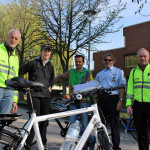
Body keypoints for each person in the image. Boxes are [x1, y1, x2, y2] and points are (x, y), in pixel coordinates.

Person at [54, 55, 93, 150]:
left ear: (83, 62)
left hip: (83, 101)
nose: (78, 63)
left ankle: (87, 143)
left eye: (80, 61)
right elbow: (60, 78)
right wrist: (48, 82)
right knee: (72, 126)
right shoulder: (71, 72)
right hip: (73, 103)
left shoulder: (87, 73)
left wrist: (71, 94)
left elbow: (84, 86)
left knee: (84, 125)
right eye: (76, 61)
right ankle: (72, 146)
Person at [19, 45, 54, 149]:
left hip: (46, 96)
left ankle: (43, 144)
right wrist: (24, 85)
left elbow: (52, 78)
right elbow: (21, 71)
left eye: (48, 52)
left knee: (44, 121)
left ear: (50, 53)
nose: (46, 53)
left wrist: (50, 86)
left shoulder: (50, 66)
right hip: (34, 95)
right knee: (34, 121)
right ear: (41, 52)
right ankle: (27, 144)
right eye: (44, 51)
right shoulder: (33, 63)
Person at [95, 53, 126, 150]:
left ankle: (116, 147)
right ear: (103, 61)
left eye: (110, 60)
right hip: (102, 100)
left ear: (113, 61)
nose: (108, 61)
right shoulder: (99, 74)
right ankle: (103, 145)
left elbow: (122, 87)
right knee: (101, 124)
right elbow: (95, 88)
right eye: (106, 60)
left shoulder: (118, 72)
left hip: (113, 100)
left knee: (114, 124)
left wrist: (120, 101)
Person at [126, 48, 150, 150]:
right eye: (140, 56)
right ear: (137, 58)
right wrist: (128, 104)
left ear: (148, 57)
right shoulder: (133, 71)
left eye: (144, 56)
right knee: (141, 133)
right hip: (138, 105)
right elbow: (130, 89)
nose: (142, 58)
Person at [0, 29, 21, 113]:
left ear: (18, 41)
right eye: (11, 37)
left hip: (9, 92)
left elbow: (15, 80)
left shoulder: (16, 58)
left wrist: (15, 100)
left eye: (16, 38)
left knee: (4, 121)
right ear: (7, 37)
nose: (13, 40)